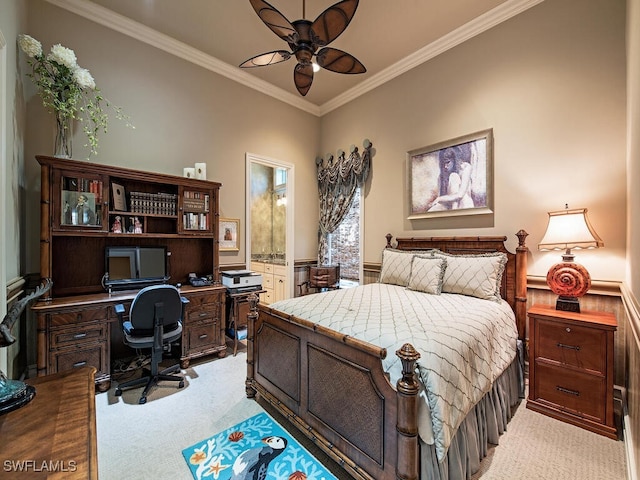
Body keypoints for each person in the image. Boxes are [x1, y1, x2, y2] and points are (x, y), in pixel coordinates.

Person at [427, 145, 475, 211]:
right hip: (450, 205)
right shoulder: (444, 174)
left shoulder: (466, 168)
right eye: (444, 164)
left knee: (453, 176)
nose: (445, 166)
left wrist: (439, 199)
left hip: (464, 205)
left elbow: (460, 195)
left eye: (448, 162)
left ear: (455, 159)